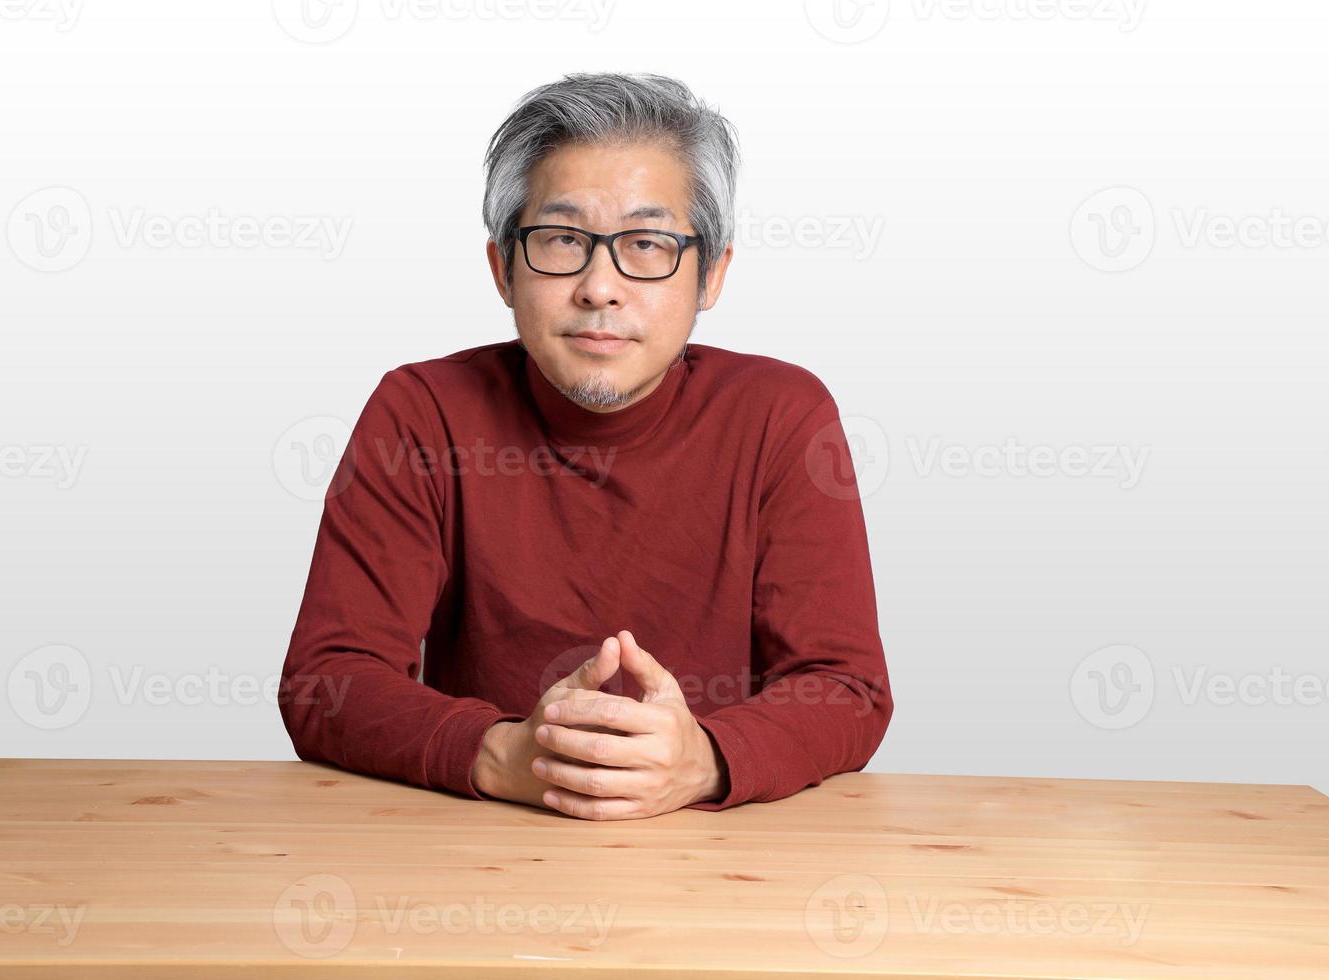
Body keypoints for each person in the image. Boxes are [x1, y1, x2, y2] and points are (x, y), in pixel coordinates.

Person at [278, 72, 892, 821]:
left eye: (647, 243)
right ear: (503, 268)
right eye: (563, 239)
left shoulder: (781, 416)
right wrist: (505, 754)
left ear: (713, 274)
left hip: (724, 864)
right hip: (473, 852)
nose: (601, 286)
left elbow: (846, 686)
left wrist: (704, 759)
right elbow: (328, 679)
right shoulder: (422, 414)